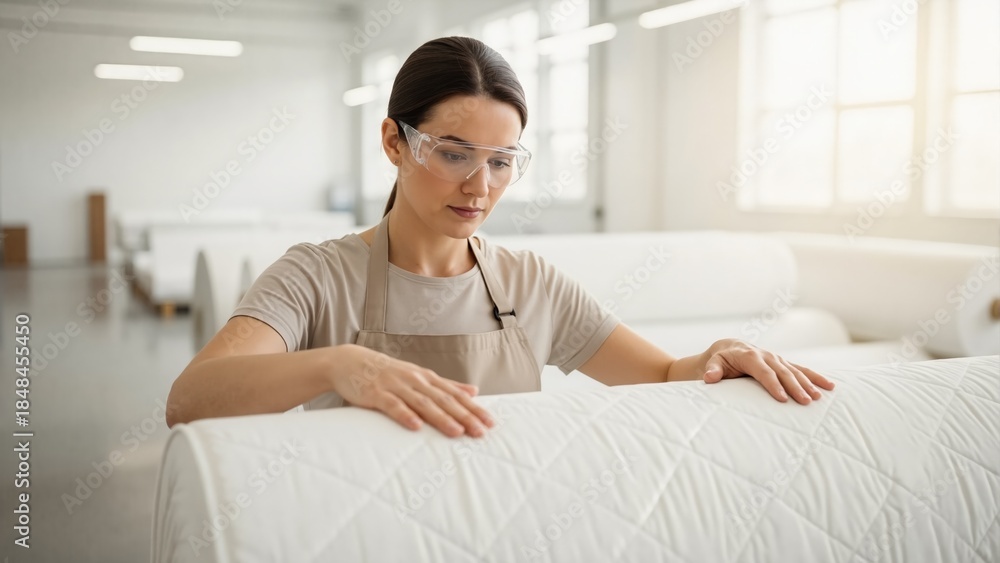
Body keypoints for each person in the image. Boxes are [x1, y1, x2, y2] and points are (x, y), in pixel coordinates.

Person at [166, 36, 834, 437]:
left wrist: (719, 354)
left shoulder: (530, 284)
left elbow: (660, 375)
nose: (479, 187)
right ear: (394, 142)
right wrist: (339, 363)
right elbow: (191, 400)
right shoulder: (315, 277)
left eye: (501, 161)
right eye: (453, 153)